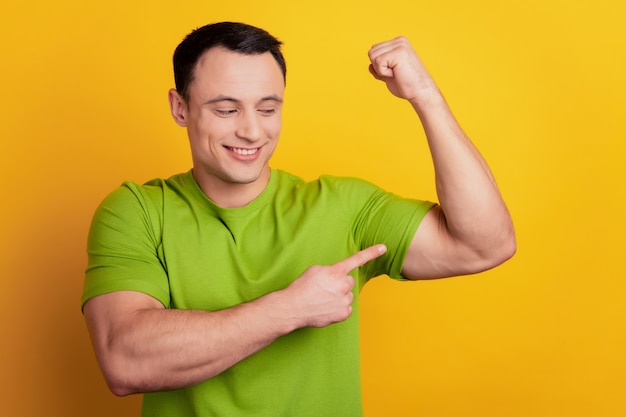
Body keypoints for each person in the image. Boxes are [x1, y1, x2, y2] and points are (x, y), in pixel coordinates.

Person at [82, 21, 515, 416]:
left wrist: (426, 96)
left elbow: (485, 244)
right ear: (180, 108)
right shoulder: (136, 211)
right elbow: (125, 360)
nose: (252, 131)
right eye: (226, 110)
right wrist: (289, 310)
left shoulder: (341, 207)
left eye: (268, 109)